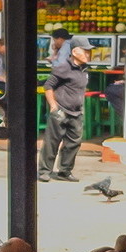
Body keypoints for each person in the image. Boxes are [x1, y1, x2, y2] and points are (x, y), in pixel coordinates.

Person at [38, 36, 91, 183]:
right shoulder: (63, 67)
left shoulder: (84, 69)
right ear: (74, 52)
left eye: (89, 51)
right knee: (52, 142)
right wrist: (53, 106)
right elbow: (48, 86)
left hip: (76, 112)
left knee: (73, 143)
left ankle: (65, 171)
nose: (88, 54)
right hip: (61, 110)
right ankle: (44, 171)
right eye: (85, 51)